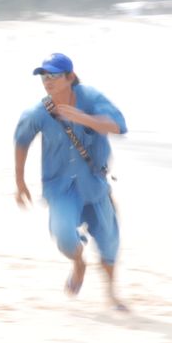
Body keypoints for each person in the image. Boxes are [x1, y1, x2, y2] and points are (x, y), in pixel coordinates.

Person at [13, 53, 128, 310]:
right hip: (60, 187)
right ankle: (78, 263)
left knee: (109, 242)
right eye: (44, 76)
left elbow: (119, 126)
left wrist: (82, 117)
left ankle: (111, 294)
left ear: (70, 77)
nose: (47, 81)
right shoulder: (38, 112)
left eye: (53, 75)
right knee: (64, 236)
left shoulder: (90, 97)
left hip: (95, 184)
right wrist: (20, 182)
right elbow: (21, 140)